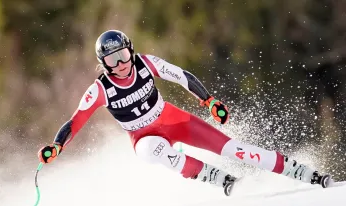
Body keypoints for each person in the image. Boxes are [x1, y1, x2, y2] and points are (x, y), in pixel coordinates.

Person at [37, 29, 332, 196]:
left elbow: (183, 76)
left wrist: (210, 102)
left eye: (124, 55)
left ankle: (304, 173)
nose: (122, 64)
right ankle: (218, 179)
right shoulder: (99, 89)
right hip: (143, 138)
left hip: (174, 120)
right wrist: (57, 146)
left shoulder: (146, 64)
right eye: (113, 60)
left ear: (131, 51)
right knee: (156, 150)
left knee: (236, 150)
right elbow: (75, 121)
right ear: (104, 63)